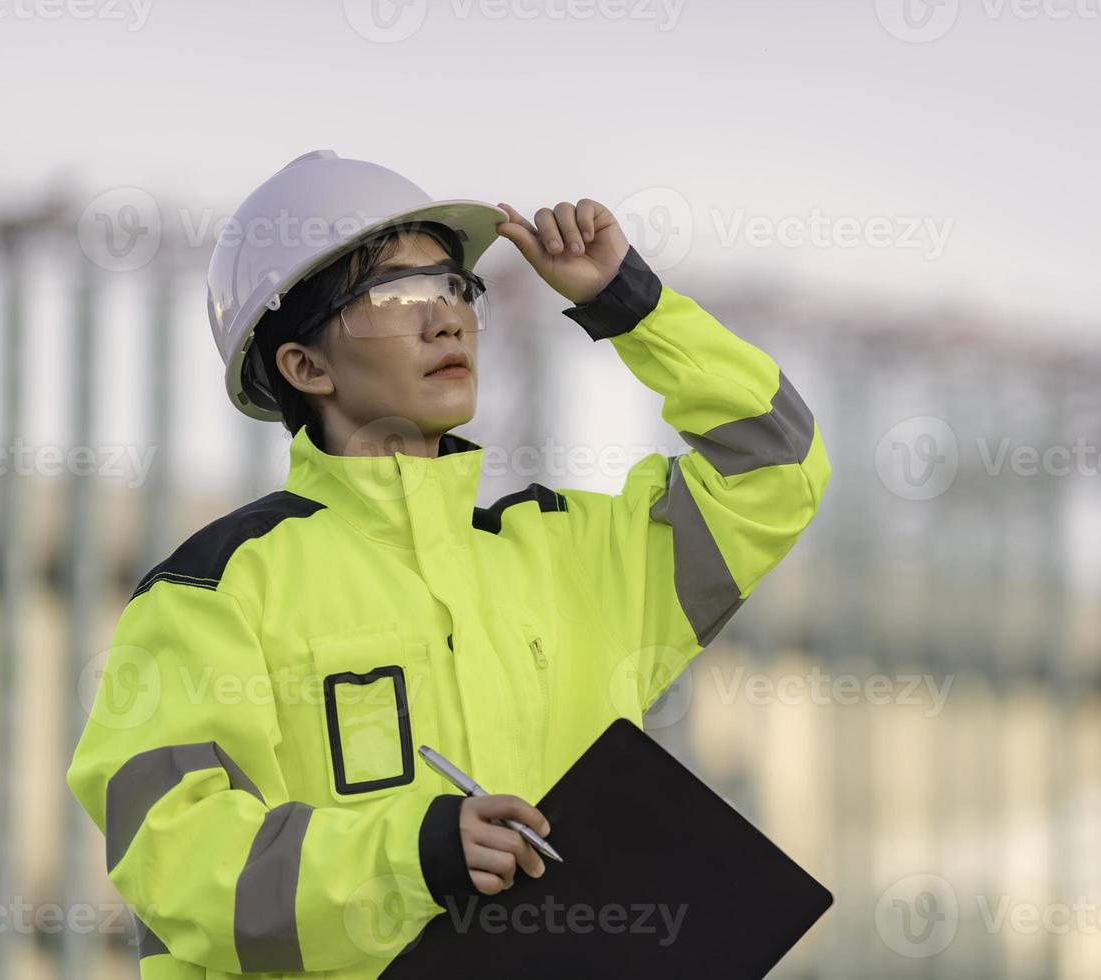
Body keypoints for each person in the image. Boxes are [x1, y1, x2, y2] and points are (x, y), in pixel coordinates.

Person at [65, 151, 831, 978]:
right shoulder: (210, 593)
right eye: (394, 297)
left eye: (453, 289)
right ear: (305, 367)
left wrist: (630, 306)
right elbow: (174, 862)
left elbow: (775, 468)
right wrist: (415, 856)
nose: (445, 321)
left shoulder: (571, 558)